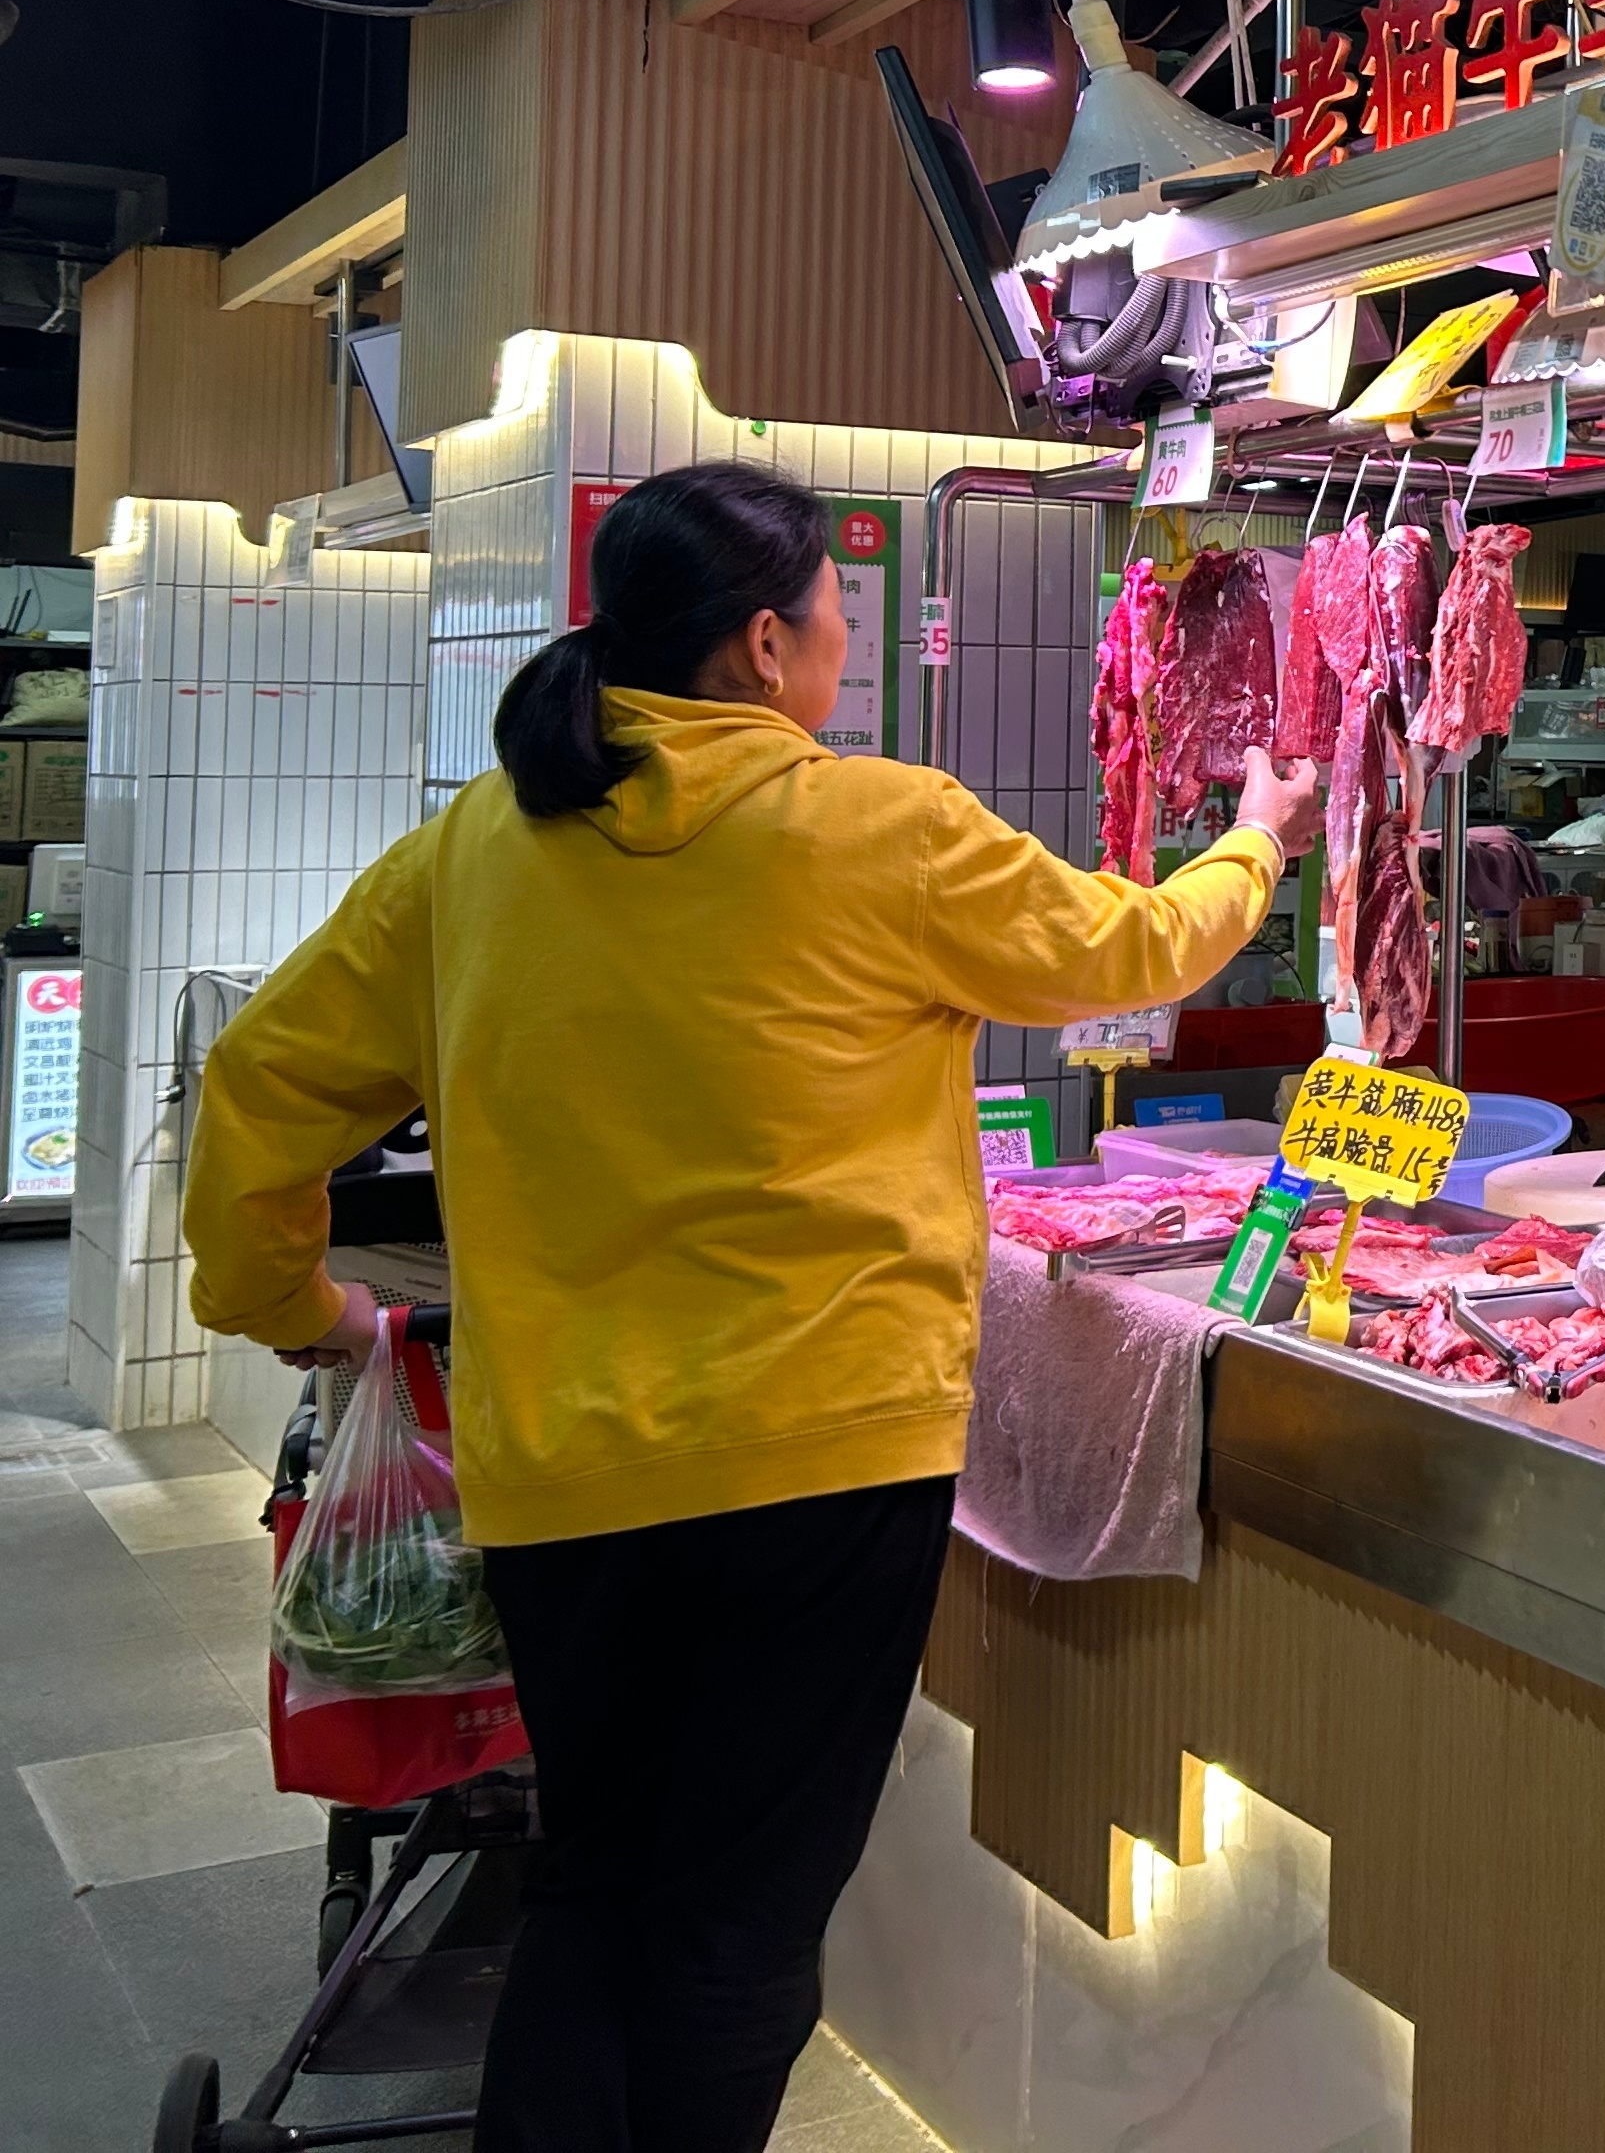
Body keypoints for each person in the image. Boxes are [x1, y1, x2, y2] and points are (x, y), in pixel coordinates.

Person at [182, 463, 1320, 2153]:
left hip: (565, 1469)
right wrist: (1259, 836)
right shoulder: (884, 826)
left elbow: (259, 1086)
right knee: (738, 1927)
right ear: (766, 641)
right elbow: (1133, 948)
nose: (846, 645)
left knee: (595, 1881)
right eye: (836, 614)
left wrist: (290, 1300)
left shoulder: (471, 852)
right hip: (821, 1467)